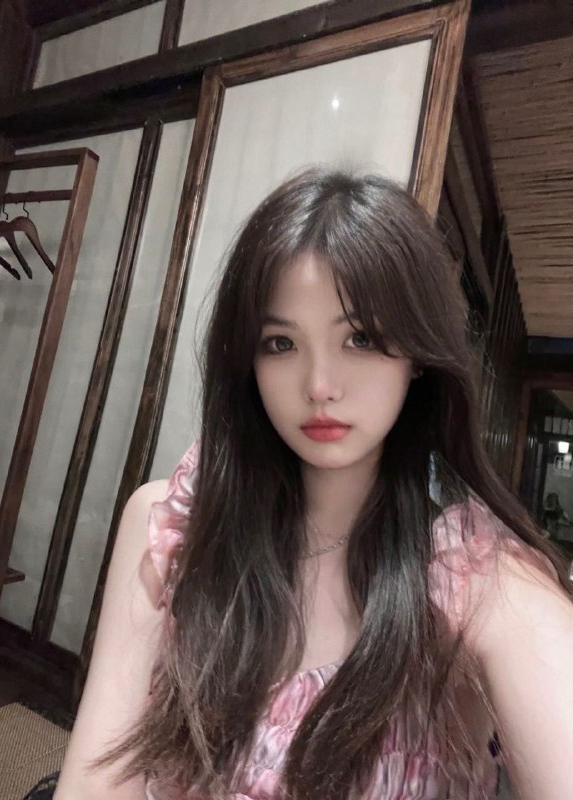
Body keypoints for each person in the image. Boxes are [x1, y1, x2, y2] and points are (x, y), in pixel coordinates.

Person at [53, 169, 573, 800]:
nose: (319, 385)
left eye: (360, 337)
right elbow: (99, 779)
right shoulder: (170, 528)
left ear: (418, 357)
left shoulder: (475, 577)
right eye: (280, 343)